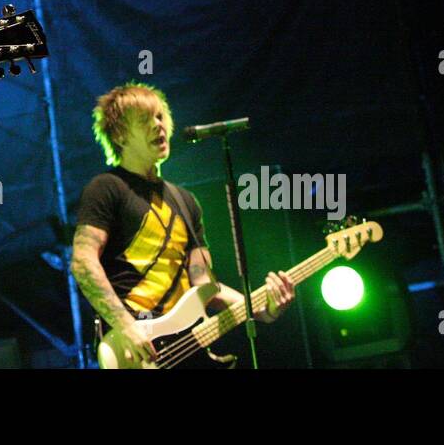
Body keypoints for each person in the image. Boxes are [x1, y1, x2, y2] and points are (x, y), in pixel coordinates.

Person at [71, 82, 295, 367]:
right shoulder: (106, 188)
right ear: (120, 135)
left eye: (160, 116)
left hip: (185, 347)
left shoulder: (185, 201)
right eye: (145, 119)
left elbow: (204, 284)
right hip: (135, 348)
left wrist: (260, 308)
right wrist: (126, 325)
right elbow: (82, 262)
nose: (158, 125)